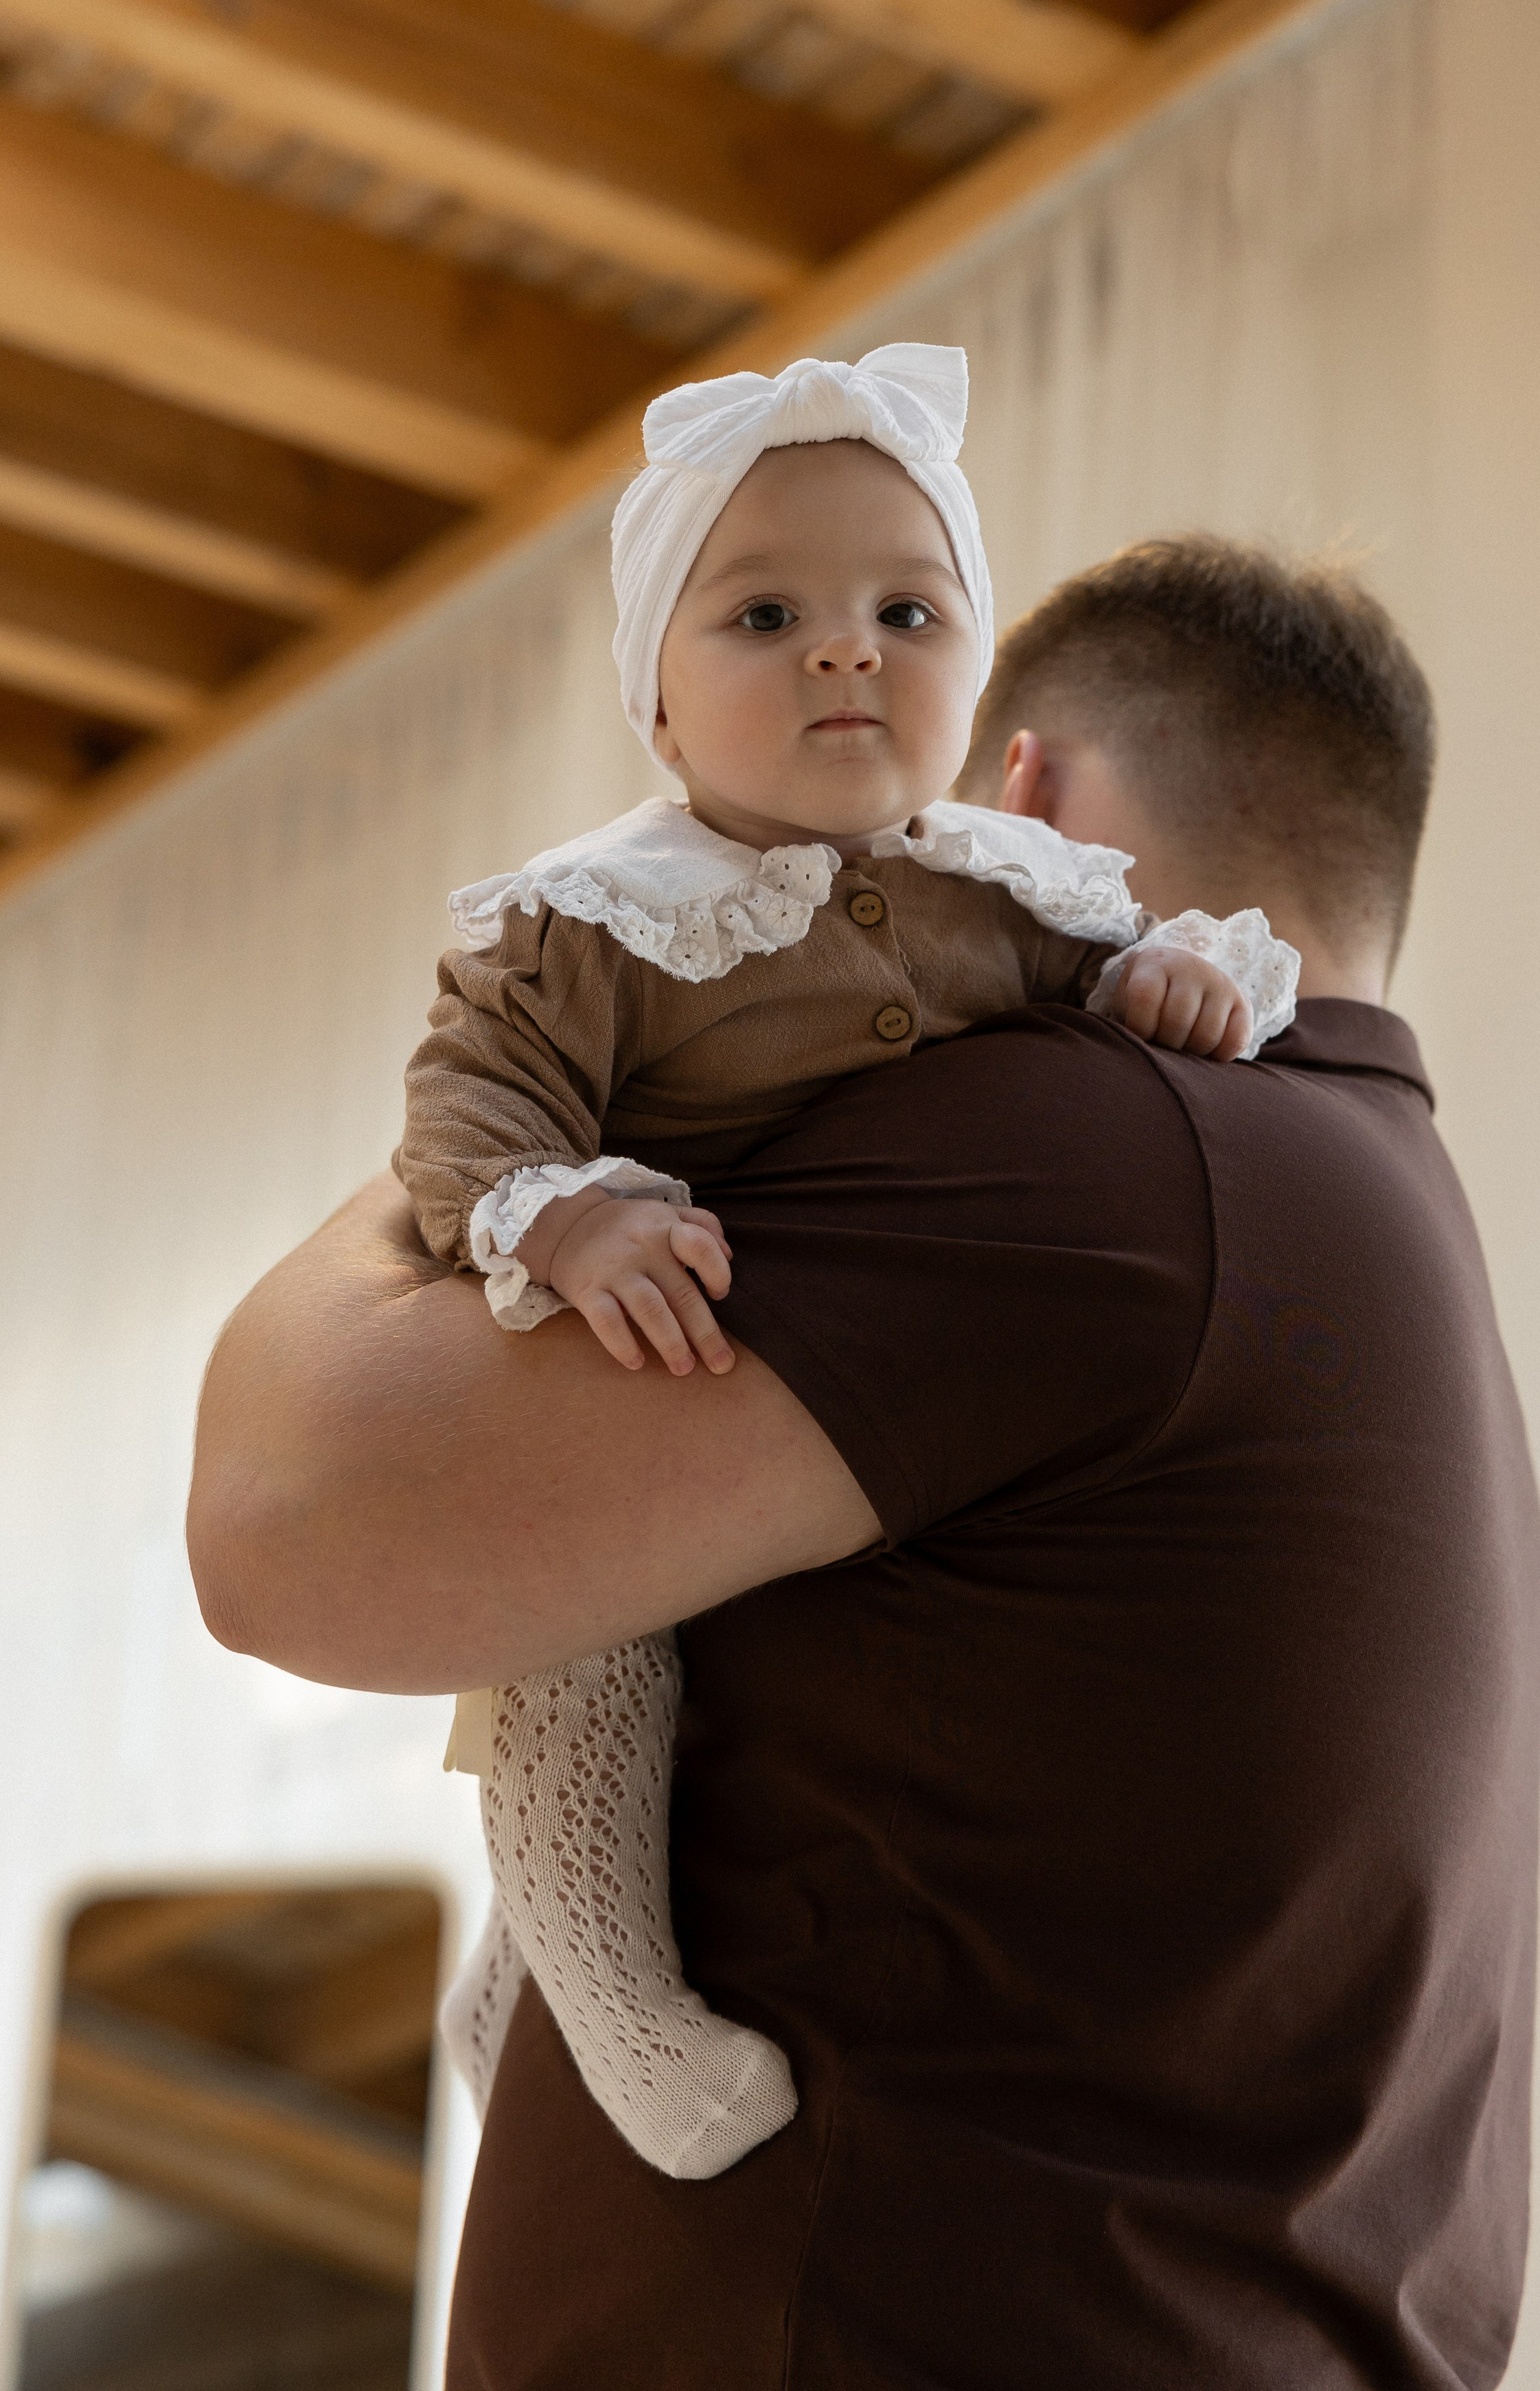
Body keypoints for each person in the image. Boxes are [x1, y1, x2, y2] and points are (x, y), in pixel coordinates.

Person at [187, 532, 1540, 2391]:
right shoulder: (1373, 1226)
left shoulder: (1098, 1154)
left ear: (1020, 793)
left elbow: (290, 1527)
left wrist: (609, 1060)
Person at [398, 344, 1292, 2182]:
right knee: (591, 1642)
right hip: (633, 1369)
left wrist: (1164, 985)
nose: (845, 646)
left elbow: (1094, 991)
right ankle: (610, 1998)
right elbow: (461, 1121)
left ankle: (506, 1984)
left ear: (977, 671)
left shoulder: (1006, 893)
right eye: (765, 612)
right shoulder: (595, 922)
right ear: (655, 705)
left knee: (746, 1712)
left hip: (837, 1419)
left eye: (907, 605)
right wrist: (569, 1215)